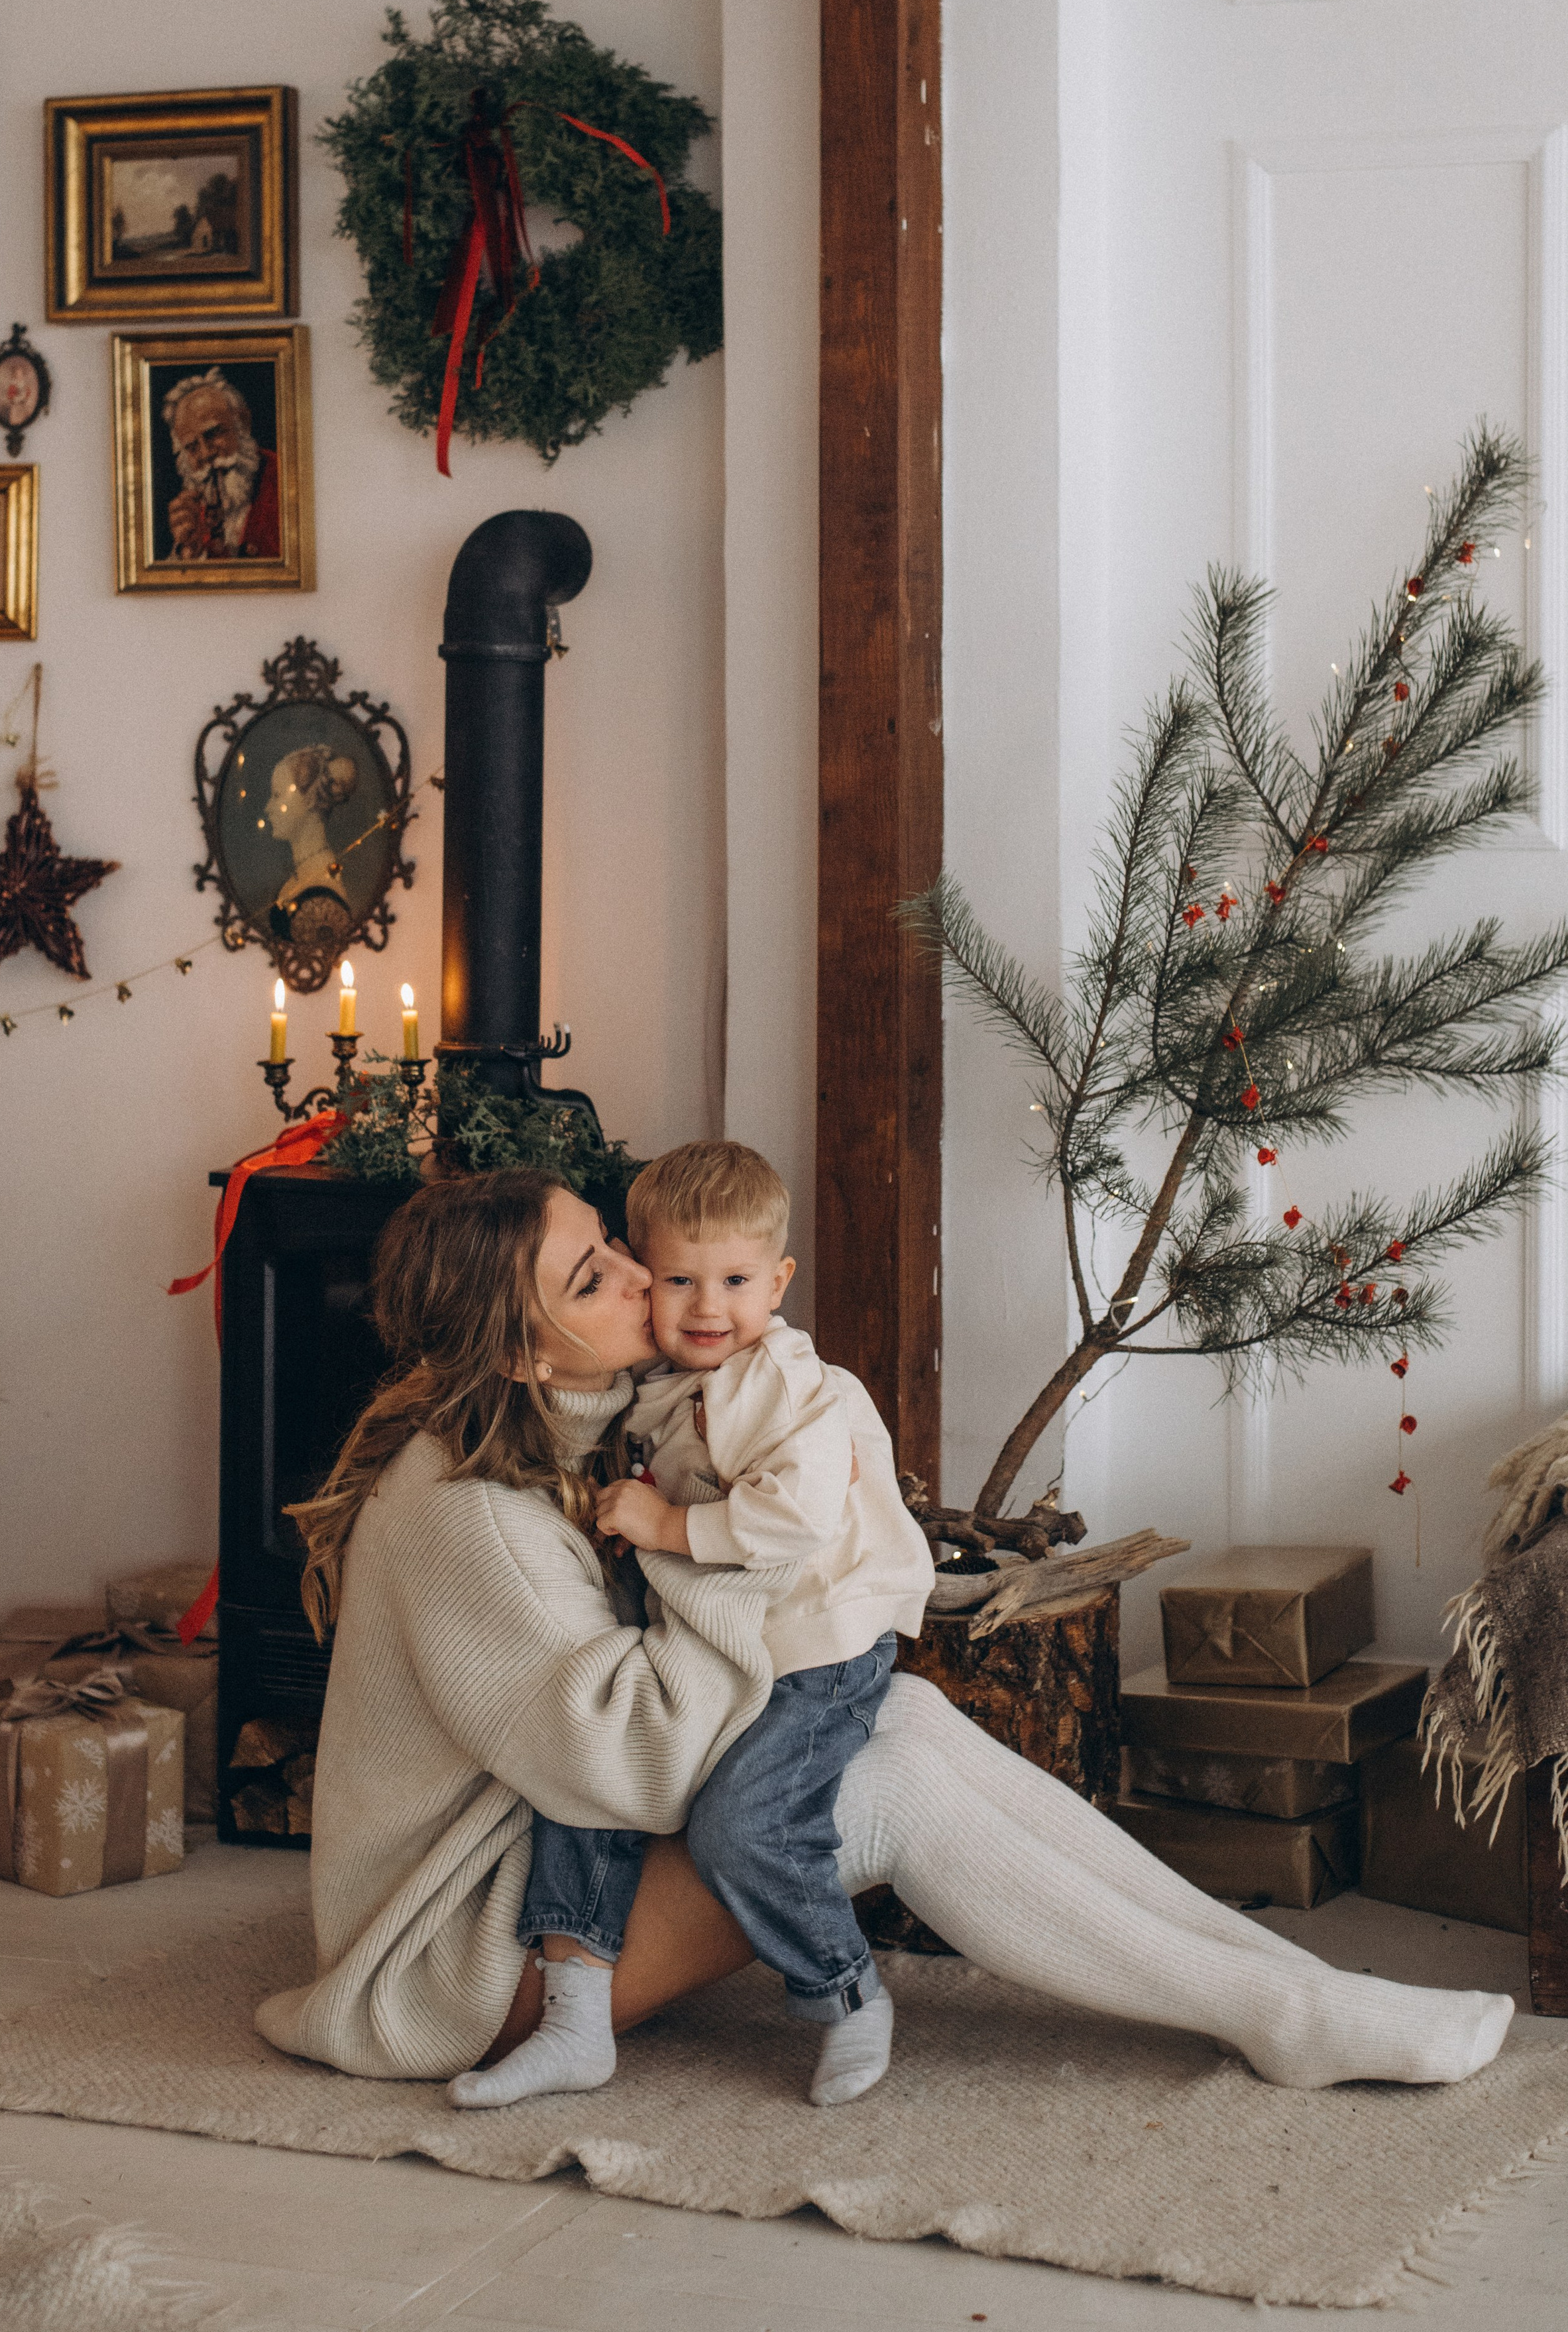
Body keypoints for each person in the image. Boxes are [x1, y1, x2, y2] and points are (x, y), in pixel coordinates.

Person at [257, 1166, 1514, 2103]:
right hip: (462, 1958)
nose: (645, 1274)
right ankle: (1285, 2009)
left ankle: (1298, 1993)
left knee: (906, 1715)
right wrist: (758, 1554)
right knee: (896, 1778)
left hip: (541, 1876)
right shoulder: (467, 1515)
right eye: (595, 1277)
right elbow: (631, 1763)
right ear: (519, 1347)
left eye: (608, 1240)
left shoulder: (580, 1425)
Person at [453, 1140, 932, 2111]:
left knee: (743, 1829)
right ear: (643, 1268)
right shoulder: (664, 1385)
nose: (707, 1308)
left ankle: (846, 1992)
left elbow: (795, 1520)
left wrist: (667, 1526)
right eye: (678, 1279)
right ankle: (575, 2020)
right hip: (728, 1647)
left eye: (736, 1281)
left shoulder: (782, 1382)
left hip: (817, 1649)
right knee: (580, 1769)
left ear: (780, 1281)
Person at [162, 367, 280, 561]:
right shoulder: (193, 513)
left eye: (214, 434)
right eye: (192, 447)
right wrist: (189, 551)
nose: (207, 453)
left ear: (243, 422)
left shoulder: (287, 480)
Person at [262, 744, 358, 921]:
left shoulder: (324, 887)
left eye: (277, 795)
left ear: (310, 800)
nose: (268, 808)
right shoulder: (304, 872)